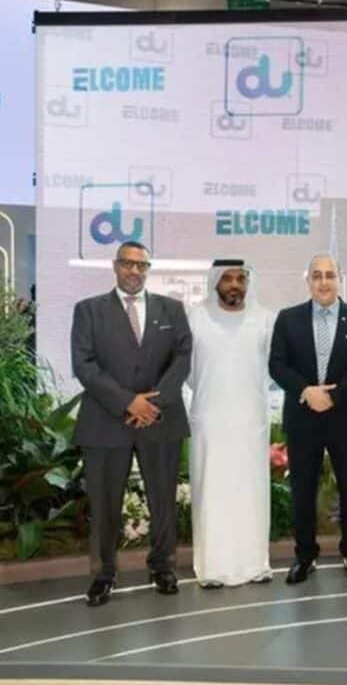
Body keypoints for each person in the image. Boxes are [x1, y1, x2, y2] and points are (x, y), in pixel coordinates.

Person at [71, 240, 192, 606]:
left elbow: (183, 356)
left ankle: (162, 566)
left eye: (142, 265)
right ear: (115, 266)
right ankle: (103, 575)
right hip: (105, 422)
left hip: (160, 419)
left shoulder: (172, 309)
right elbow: (84, 365)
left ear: (148, 270)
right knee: (104, 504)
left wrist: (153, 403)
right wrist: (128, 402)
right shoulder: (89, 310)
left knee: (163, 500)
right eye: (128, 263)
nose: (134, 271)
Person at [269, 253, 347, 585]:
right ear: (308, 281)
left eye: (330, 275)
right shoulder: (288, 319)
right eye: (317, 275)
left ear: (339, 279)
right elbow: (277, 365)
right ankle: (304, 556)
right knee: (303, 491)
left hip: (344, 418)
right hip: (303, 417)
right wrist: (306, 391)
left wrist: (334, 395)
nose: (324, 282)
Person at [187, 258, 275, 588]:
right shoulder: (196, 317)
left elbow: (272, 368)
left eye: (241, 278)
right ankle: (211, 567)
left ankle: (255, 565)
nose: (235, 285)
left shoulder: (264, 319)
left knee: (250, 491)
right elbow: (188, 371)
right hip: (210, 419)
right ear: (216, 282)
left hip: (251, 421)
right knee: (212, 491)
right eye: (228, 278)